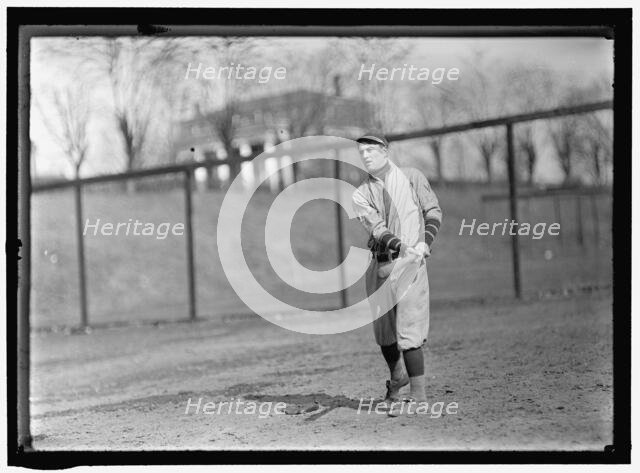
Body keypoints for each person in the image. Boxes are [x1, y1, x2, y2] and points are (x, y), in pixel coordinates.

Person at [351, 132, 442, 416]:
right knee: (385, 335)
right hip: (380, 265)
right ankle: (398, 376)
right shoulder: (360, 194)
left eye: (371, 150)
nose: (366, 156)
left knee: (409, 330)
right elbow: (377, 229)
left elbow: (434, 212)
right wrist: (403, 246)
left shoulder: (413, 177)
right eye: (361, 152)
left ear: (385, 151)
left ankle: (419, 395)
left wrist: (424, 243)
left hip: (410, 267)